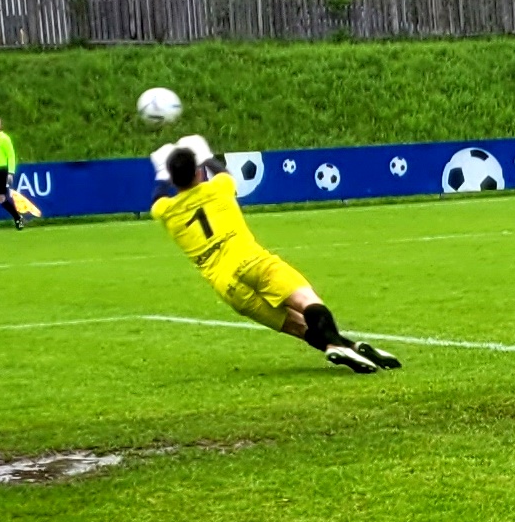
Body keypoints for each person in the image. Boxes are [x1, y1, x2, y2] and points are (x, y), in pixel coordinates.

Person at [150, 134, 399, 373]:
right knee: (305, 300)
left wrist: (162, 173)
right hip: (251, 260)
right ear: (197, 172)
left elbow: (158, 198)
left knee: (297, 326)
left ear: (173, 179)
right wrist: (205, 155)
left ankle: (349, 347)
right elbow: (223, 172)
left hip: (226, 286)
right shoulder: (219, 189)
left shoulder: (167, 213)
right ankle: (338, 345)